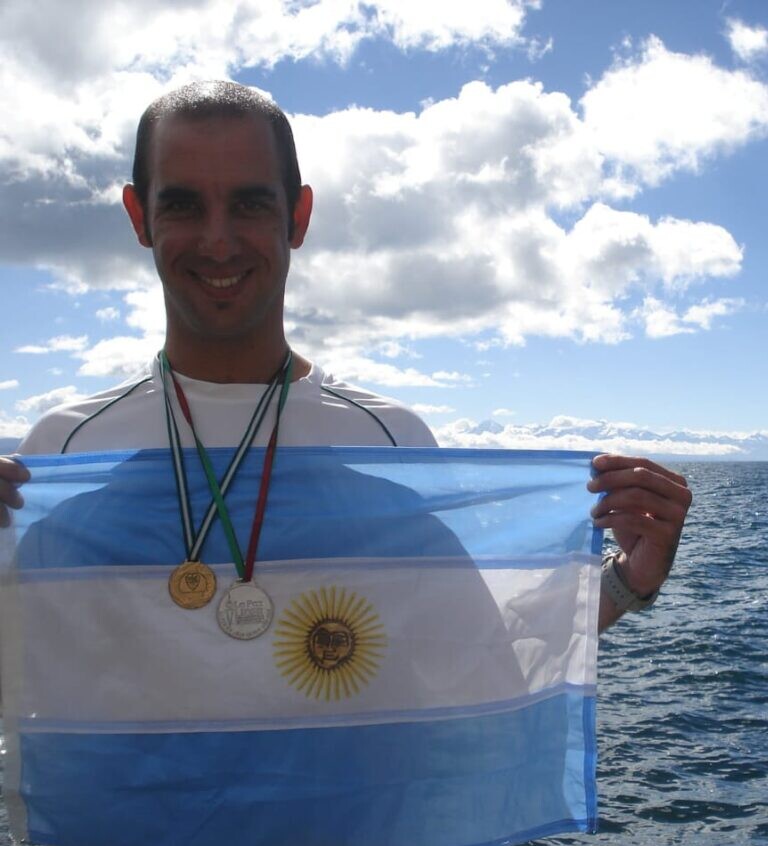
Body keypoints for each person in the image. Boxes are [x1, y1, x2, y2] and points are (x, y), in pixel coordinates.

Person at [0, 80, 691, 632]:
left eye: (248, 205)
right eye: (183, 205)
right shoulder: (57, 456)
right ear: (139, 218)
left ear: (297, 217)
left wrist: (629, 579)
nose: (217, 241)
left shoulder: (390, 445)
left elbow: (478, 651)